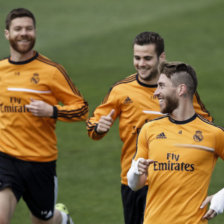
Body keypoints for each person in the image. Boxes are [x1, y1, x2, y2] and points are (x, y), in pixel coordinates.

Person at [86, 32, 213, 224]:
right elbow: (93, 126)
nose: (141, 64)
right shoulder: (121, 90)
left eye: (147, 58)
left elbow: (206, 125)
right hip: (134, 180)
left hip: (171, 179)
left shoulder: (179, 89)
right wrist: (99, 128)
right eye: (137, 58)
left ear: (162, 57)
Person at [0, 8, 88, 224]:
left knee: (43, 221)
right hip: (5, 158)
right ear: (7, 33)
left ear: (35, 32)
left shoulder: (51, 71)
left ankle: (62, 219)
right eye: (18, 29)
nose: (24, 33)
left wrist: (53, 111)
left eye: (28, 28)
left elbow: (82, 109)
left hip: (40, 162)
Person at [127, 61, 224, 223]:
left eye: (162, 86)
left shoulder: (213, 134)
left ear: (181, 89)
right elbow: (135, 185)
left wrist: (222, 197)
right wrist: (137, 170)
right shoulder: (149, 130)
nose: (156, 92)